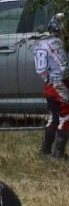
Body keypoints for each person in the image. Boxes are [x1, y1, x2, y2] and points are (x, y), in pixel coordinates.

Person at [33, 13, 69, 160]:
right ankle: (59, 155)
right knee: (66, 117)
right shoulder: (57, 44)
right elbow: (64, 68)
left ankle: (46, 150)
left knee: (54, 117)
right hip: (59, 84)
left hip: (49, 85)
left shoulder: (40, 44)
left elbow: (41, 69)